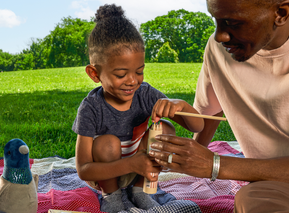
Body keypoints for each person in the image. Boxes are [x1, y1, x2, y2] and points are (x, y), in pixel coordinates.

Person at [149, 0, 289, 212]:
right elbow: (209, 113)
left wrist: (215, 165)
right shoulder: (220, 49)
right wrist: (192, 161)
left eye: (233, 23)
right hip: (275, 184)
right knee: (253, 199)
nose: (220, 36)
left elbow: (213, 164)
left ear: (281, 13)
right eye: (216, 20)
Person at [72, 4, 204, 213]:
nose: (132, 81)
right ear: (94, 74)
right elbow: (84, 170)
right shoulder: (91, 108)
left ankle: (140, 190)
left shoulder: (146, 94)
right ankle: (112, 197)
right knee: (107, 143)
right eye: (121, 74)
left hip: (140, 170)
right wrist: (131, 164)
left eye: (139, 71)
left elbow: (197, 126)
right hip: (106, 173)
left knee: (166, 129)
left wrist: (181, 105)